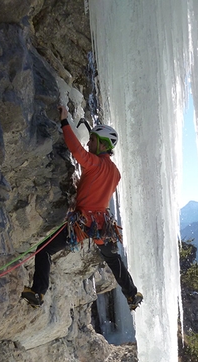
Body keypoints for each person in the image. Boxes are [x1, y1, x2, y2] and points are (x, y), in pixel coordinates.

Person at [21, 104, 143, 311]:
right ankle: (131, 294)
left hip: (82, 221)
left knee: (44, 250)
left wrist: (64, 121)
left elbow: (76, 150)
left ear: (103, 145)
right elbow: (98, 191)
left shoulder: (95, 163)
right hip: (103, 225)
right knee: (113, 258)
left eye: (93, 140)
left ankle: (38, 292)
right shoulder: (116, 173)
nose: (88, 143)